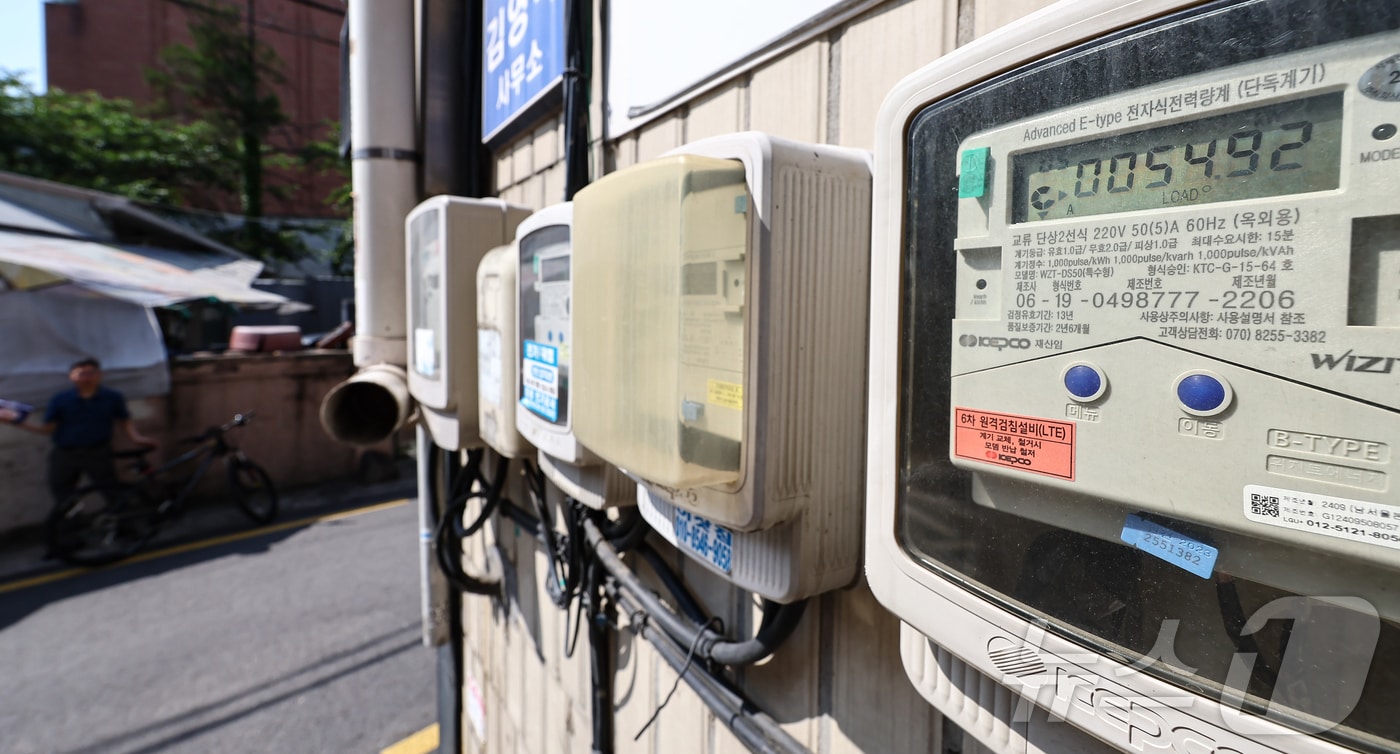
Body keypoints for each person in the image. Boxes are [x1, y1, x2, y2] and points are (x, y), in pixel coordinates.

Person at [0, 358, 157, 553]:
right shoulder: (61, 400)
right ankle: (71, 538)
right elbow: (48, 429)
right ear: (72, 377)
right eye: (81, 373)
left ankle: (126, 529)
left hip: (98, 452)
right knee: (65, 497)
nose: (86, 378)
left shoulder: (111, 397)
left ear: (99, 375)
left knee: (112, 490)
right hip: (65, 454)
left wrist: (136, 438)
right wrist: (17, 422)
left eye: (90, 373)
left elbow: (124, 420)